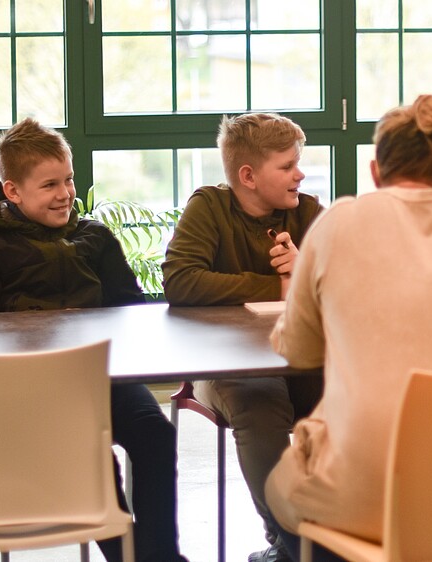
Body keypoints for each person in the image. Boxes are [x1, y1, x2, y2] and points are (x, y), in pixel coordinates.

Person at [264, 95, 432, 556]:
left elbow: (299, 352)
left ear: (376, 172)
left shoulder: (337, 224)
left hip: (368, 490)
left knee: (279, 491)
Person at [0, 118, 187, 562]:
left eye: (68, 179)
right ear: (13, 192)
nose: (65, 193)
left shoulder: (95, 237)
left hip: (103, 378)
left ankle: (159, 556)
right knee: (92, 462)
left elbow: (131, 310)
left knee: (156, 435)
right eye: (49, 185)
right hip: (28, 390)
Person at [162, 112, 325, 562]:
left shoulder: (309, 212)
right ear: (248, 176)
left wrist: (304, 270)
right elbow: (180, 280)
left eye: (299, 163)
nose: (300, 173)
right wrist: (276, 285)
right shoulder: (209, 208)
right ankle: (292, 545)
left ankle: (353, 530)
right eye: (288, 165)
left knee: (369, 390)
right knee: (259, 399)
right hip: (230, 366)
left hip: (303, 360)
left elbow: (344, 284)